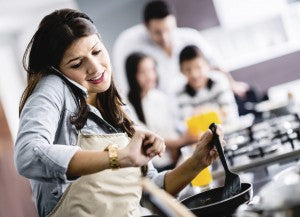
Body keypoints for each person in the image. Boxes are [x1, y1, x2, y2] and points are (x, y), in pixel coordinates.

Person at [14, 9, 222, 217]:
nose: (95, 68)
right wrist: (118, 157)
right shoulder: (54, 86)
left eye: (96, 52)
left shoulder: (117, 107)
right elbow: (28, 155)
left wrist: (197, 162)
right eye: (77, 64)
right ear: (57, 71)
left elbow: (150, 188)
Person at [112, 0, 221, 97]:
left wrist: (232, 84)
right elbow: (124, 86)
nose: (165, 38)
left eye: (168, 30)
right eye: (158, 32)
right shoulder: (128, 43)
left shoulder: (190, 36)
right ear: (145, 26)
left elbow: (215, 65)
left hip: (198, 99)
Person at [125, 52, 198, 171]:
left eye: (152, 70)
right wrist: (181, 141)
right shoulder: (127, 104)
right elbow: (145, 137)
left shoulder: (159, 97)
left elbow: (171, 129)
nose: (149, 76)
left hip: (174, 158)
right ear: (132, 75)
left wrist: (179, 144)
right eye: (143, 72)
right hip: (153, 164)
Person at [177, 45, 239, 124]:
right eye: (188, 70)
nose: (194, 74)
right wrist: (216, 112)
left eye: (198, 67)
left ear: (207, 66)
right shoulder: (180, 93)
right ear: (181, 71)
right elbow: (187, 124)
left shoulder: (219, 81)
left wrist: (201, 114)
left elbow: (230, 115)